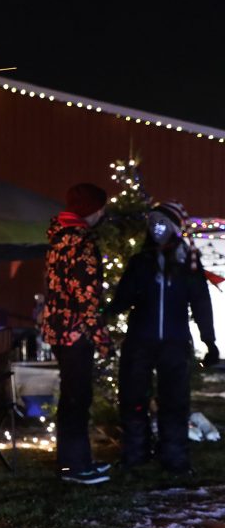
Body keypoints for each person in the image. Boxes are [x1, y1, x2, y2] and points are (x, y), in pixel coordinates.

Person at [107, 201, 217, 474]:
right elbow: (123, 299)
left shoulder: (188, 265)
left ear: (174, 228)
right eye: (153, 222)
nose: (156, 228)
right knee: (133, 396)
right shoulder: (140, 262)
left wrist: (209, 340)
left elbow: (201, 303)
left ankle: (175, 458)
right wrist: (103, 311)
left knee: (175, 400)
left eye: (162, 223)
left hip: (174, 343)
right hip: (140, 342)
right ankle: (135, 454)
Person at [40, 183, 114, 485]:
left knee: (71, 398)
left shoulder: (58, 239)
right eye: (101, 208)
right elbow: (86, 297)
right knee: (77, 398)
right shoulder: (81, 243)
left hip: (59, 331)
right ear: (91, 209)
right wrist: (101, 338)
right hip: (75, 333)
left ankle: (74, 461)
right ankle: (76, 466)